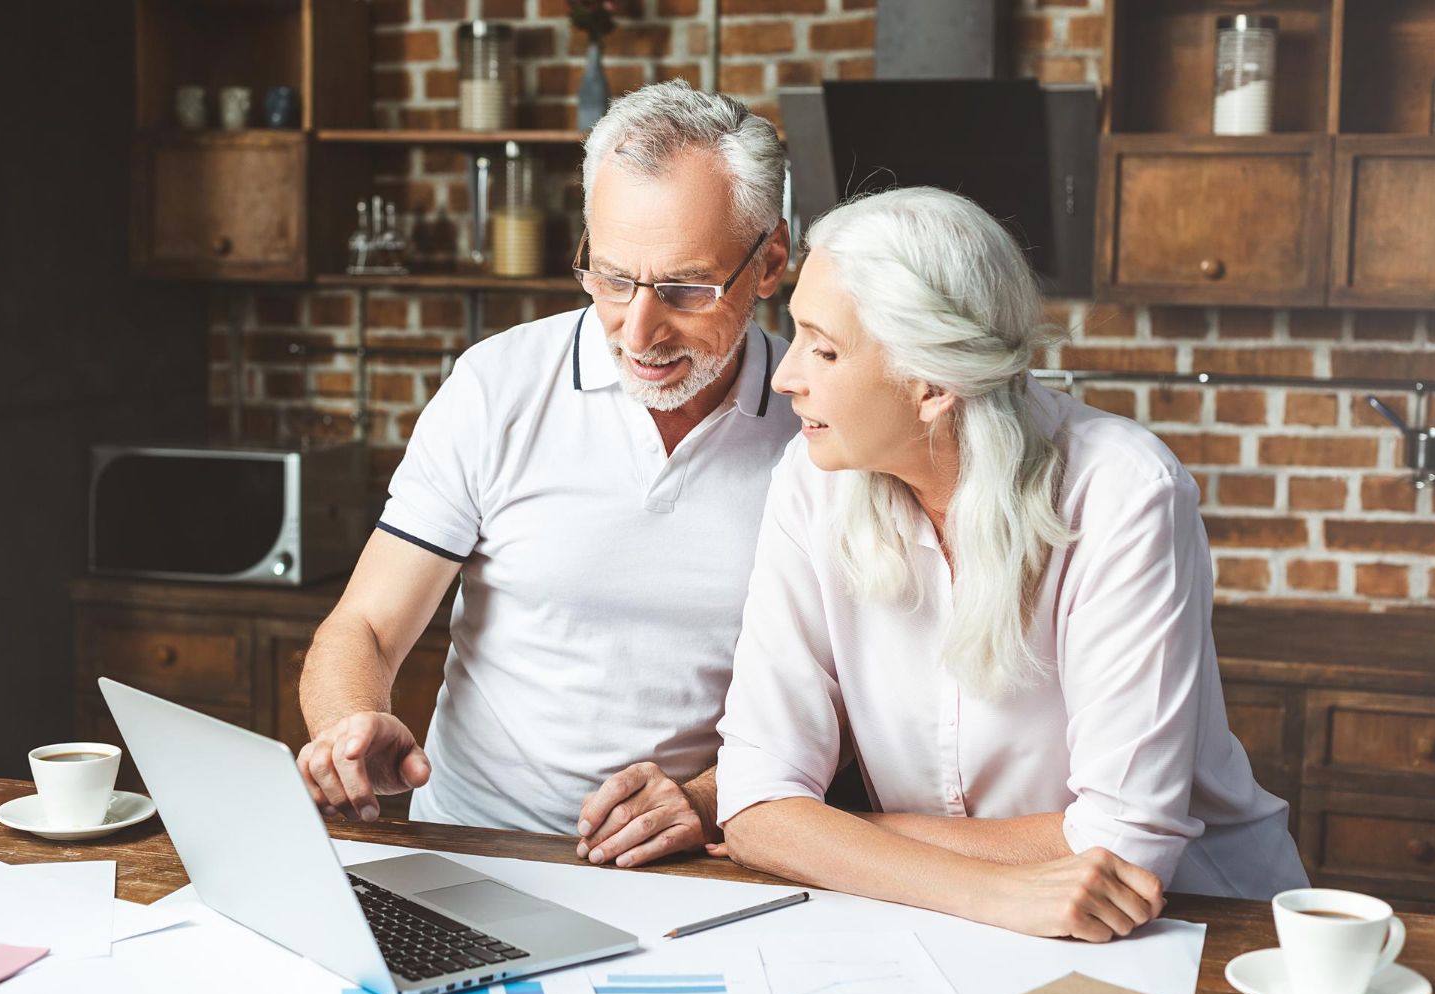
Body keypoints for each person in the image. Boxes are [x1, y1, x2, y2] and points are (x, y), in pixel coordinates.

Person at [713, 187, 1309, 941]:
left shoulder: (1124, 493)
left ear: (932, 385)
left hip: (1202, 925)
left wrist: (842, 834)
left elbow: (1122, 848)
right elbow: (755, 806)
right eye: (795, 337)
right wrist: (988, 891)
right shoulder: (810, 483)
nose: (784, 376)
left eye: (824, 350)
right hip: (965, 924)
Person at [295, 81, 798, 866]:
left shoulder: (820, 427)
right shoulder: (498, 385)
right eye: (611, 276)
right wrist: (349, 722)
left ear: (769, 264)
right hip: (469, 844)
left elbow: (844, 716)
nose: (638, 330)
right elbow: (361, 627)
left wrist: (700, 801)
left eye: (685, 289)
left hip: (697, 863)